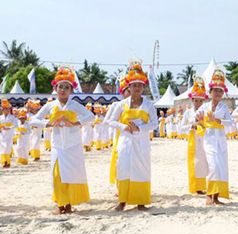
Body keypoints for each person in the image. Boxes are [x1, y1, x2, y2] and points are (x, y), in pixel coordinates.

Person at [31, 67, 95, 214]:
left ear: (71, 90)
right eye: (60, 87)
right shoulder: (50, 105)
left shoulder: (74, 105)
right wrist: (48, 123)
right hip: (57, 145)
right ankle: (60, 204)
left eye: (67, 87)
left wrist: (75, 123)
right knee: (57, 174)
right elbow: (33, 120)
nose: (63, 90)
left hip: (73, 145)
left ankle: (69, 204)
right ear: (55, 88)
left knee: (71, 174)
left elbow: (90, 116)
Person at [107, 60, 157, 211]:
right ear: (128, 87)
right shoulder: (121, 105)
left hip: (141, 142)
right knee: (123, 168)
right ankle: (122, 200)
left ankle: (141, 202)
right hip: (125, 141)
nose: (137, 88)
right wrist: (124, 127)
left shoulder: (148, 105)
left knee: (141, 169)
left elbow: (154, 124)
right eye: (134, 85)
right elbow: (109, 120)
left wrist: (139, 128)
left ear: (143, 87)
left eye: (140, 85)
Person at [196, 69, 232, 205]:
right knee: (213, 166)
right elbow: (196, 117)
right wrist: (198, 118)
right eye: (215, 90)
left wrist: (218, 121)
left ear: (223, 93)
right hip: (209, 140)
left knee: (220, 167)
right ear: (210, 92)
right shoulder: (204, 106)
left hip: (221, 140)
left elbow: (231, 123)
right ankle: (209, 195)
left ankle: (216, 196)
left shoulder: (224, 107)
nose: (217, 93)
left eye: (220, 91)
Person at [181, 75, 209, 195]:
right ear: (192, 100)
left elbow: (210, 125)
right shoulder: (188, 112)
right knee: (193, 162)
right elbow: (181, 127)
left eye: (200, 100)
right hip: (193, 139)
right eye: (196, 100)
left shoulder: (207, 111)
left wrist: (203, 124)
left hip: (203, 138)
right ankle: (193, 186)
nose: (198, 103)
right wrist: (191, 126)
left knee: (202, 162)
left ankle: (201, 186)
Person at [0, 98, 18, 168]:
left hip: (9, 135)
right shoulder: (0, 117)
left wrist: (9, 128)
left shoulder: (12, 117)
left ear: (9, 109)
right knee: (2, 149)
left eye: (7, 109)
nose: (5, 110)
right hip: (2, 135)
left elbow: (16, 125)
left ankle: (7, 162)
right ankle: (4, 161)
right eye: (4, 109)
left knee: (7, 149)